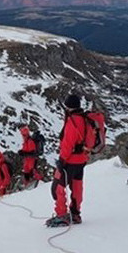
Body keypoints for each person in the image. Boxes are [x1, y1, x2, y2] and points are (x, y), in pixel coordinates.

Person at [46, 94, 88, 227]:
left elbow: (68, 144)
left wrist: (62, 160)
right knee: (77, 186)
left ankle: (61, 215)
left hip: (70, 160)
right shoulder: (84, 119)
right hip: (81, 159)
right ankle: (75, 214)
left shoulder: (73, 121)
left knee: (59, 186)